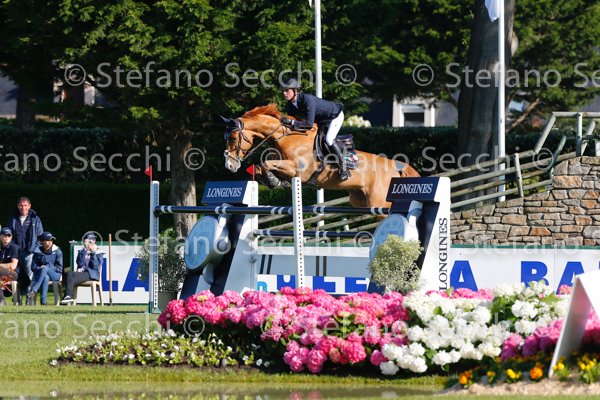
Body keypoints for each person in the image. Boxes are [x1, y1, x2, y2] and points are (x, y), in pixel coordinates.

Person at [280, 78, 349, 180]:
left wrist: (292, 123)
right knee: (314, 141)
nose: (284, 93)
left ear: (295, 91)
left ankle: (344, 168)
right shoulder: (291, 104)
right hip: (322, 120)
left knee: (328, 139)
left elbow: (308, 124)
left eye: (287, 90)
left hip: (334, 116)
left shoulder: (307, 100)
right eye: (283, 90)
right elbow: (292, 120)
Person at [6, 197, 44, 300]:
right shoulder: (13, 218)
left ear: (29, 206)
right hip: (16, 253)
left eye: (25, 205)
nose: (23, 208)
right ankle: (16, 299)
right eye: (21, 205)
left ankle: (29, 300)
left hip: (29, 253)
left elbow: (40, 236)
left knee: (30, 276)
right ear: (18, 206)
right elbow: (8, 235)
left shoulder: (35, 219)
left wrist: (34, 248)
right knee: (16, 275)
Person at [61, 232, 103, 304]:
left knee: (70, 275)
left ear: (94, 241)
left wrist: (93, 252)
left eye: (91, 241)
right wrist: (85, 250)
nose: (89, 243)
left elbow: (95, 266)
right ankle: (68, 296)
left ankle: (67, 295)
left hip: (92, 274)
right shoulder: (81, 252)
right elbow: (80, 263)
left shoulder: (99, 252)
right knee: (69, 274)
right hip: (81, 273)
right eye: (88, 241)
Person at [28, 232, 63, 306]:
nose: (50, 242)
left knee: (45, 268)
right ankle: (43, 302)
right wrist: (40, 268)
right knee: (45, 276)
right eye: (48, 240)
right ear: (42, 241)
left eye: (51, 240)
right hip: (41, 274)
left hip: (55, 274)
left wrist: (47, 267)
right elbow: (33, 267)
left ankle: (33, 290)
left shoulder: (58, 251)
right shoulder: (37, 252)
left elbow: (59, 268)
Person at [0, 227, 19, 306]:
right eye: (5, 235)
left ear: (11, 237)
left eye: (9, 235)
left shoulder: (14, 247)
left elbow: (13, 265)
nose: (7, 237)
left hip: (13, 273)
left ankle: (1, 301)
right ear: (0, 236)